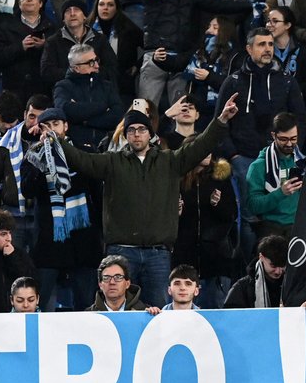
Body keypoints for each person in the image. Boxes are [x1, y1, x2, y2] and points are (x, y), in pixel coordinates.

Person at [50, 97, 237, 295]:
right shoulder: (112, 162)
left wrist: (221, 120)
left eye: (141, 129)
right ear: (126, 134)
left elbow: (201, 145)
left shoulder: (170, 161)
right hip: (121, 252)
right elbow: (82, 160)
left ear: (150, 133)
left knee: (158, 317)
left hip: (158, 253)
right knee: (121, 315)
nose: (136, 134)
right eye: (131, 130)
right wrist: (56, 140)